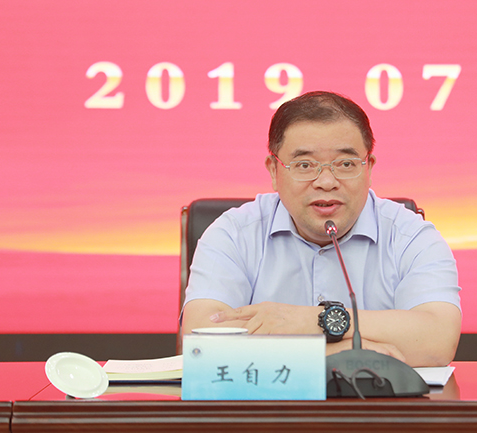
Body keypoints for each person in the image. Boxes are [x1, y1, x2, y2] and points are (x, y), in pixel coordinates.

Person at [181, 91, 461, 367]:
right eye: (305, 165)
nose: (326, 182)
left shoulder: (411, 237)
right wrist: (338, 353)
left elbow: (437, 341)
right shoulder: (234, 234)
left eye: (346, 164)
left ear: (369, 169)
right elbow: (201, 341)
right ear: (274, 171)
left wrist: (309, 321)